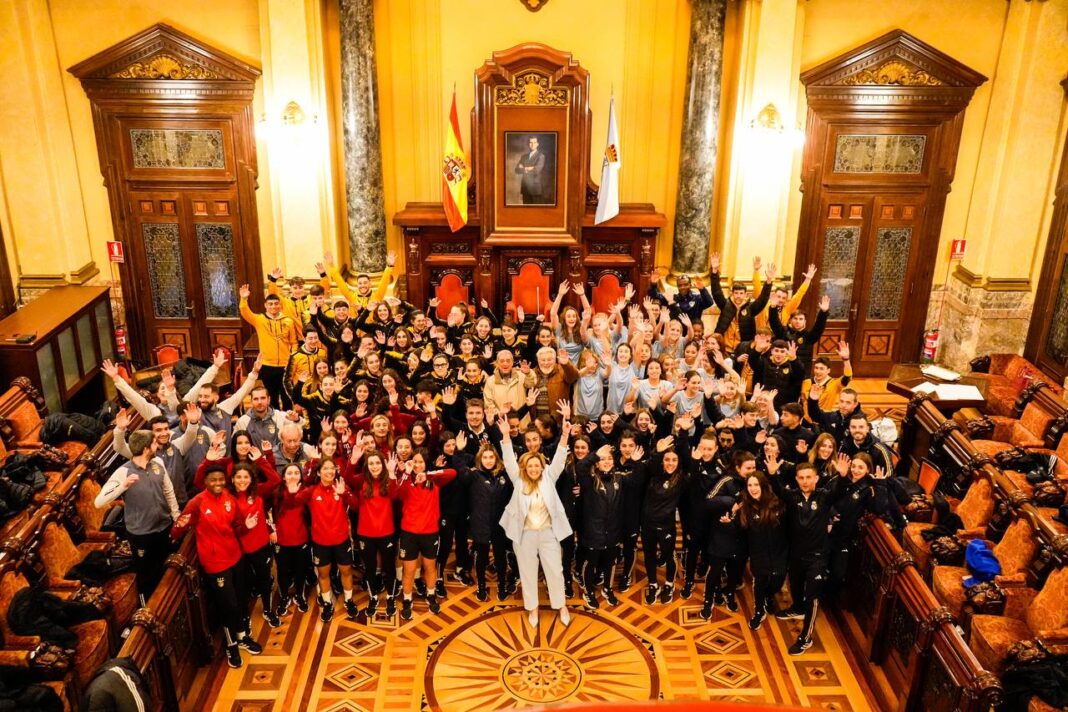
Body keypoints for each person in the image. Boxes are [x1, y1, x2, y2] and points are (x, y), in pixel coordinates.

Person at [172, 464, 262, 668]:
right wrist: (179, 526)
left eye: (221, 479)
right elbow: (176, 531)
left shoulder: (229, 498)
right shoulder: (197, 503)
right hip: (215, 564)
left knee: (240, 599)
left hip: (235, 557)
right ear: (205, 482)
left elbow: (237, 526)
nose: (218, 483)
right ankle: (231, 645)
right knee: (227, 604)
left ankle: (243, 637)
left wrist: (246, 526)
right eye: (213, 480)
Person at [498, 400, 573, 628]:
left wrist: (565, 434)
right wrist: (505, 436)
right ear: (525, 468)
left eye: (536, 466)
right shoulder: (518, 478)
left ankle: (561, 605)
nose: (533, 469)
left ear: (541, 466)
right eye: (529, 466)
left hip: (548, 533)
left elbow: (560, 457)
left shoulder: (550, 475)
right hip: (525, 535)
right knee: (528, 572)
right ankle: (533, 607)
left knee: (555, 570)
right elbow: (509, 459)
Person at [96, 430, 182, 598]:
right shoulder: (123, 472)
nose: (157, 445)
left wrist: (176, 516)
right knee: (146, 575)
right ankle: (148, 606)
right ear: (146, 449)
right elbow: (98, 502)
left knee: (167, 568)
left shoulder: (158, 462)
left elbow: (168, 490)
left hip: (164, 527)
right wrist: (123, 486)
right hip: (141, 534)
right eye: (154, 443)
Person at [394, 450, 457, 620]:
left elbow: (452, 473)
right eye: (414, 461)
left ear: (426, 463)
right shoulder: (406, 479)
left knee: (430, 567)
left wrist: (428, 474)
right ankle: (407, 599)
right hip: (409, 533)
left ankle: (430, 594)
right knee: (409, 570)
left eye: (420, 462)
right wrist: (406, 473)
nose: (417, 465)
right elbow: (398, 493)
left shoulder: (434, 480)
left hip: (430, 533)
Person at [737, 471, 787, 629]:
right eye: (749, 485)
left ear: (763, 486)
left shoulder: (777, 503)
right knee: (759, 583)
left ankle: (769, 596)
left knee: (777, 582)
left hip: (779, 552)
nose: (753, 488)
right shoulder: (745, 507)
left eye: (756, 484)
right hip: (758, 554)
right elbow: (742, 531)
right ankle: (759, 610)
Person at [239, 284, 301, 407]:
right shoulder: (259, 319)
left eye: (276, 304)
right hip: (267, 365)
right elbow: (245, 312)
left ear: (280, 305)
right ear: (265, 306)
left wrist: (292, 359)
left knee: (287, 396)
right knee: (272, 397)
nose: (273, 306)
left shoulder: (288, 321)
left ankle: (287, 418)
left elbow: (294, 342)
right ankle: (274, 417)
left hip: (285, 365)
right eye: (270, 304)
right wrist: (244, 299)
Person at [514, 135, 546, 204]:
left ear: (537, 144)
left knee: (535, 210)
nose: (532, 144)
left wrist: (523, 168)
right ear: (528, 144)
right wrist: (528, 168)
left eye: (534, 142)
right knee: (525, 209)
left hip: (535, 189)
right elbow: (517, 170)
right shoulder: (524, 157)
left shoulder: (541, 156)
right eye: (530, 142)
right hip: (525, 188)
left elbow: (536, 171)